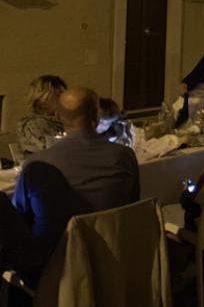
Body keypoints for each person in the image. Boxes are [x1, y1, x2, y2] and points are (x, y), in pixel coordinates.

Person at [13, 87, 140, 269]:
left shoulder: (36, 164)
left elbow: (20, 222)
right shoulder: (124, 156)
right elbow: (132, 206)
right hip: (113, 261)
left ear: (58, 117)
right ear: (97, 115)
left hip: (57, 270)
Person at [17, 75, 67, 153]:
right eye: (58, 95)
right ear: (43, 98)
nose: (64, 98)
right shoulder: (33, 125)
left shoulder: (63, 120)